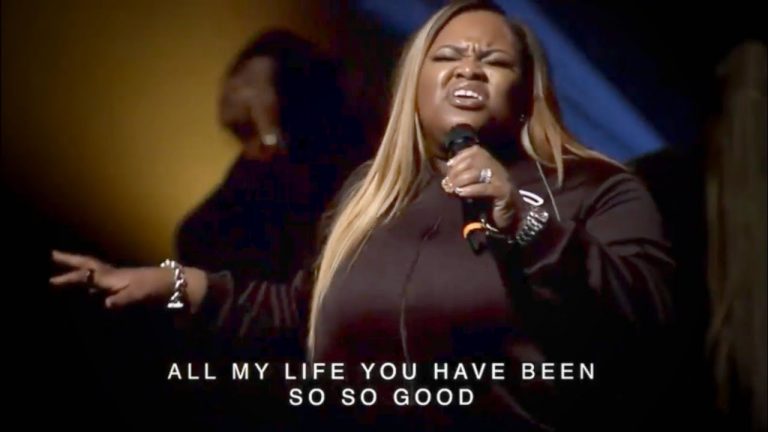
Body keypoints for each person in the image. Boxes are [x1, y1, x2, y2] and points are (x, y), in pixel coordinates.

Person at [51, 1, 673, 430]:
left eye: (495, 59)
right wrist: (176, 283)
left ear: (528, 91)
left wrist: (524, 223)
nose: (468, 66)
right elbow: (300, 311)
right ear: (414, 88)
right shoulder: (368, 195)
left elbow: (641, 318)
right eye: (446, 55)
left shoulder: (594, 187)